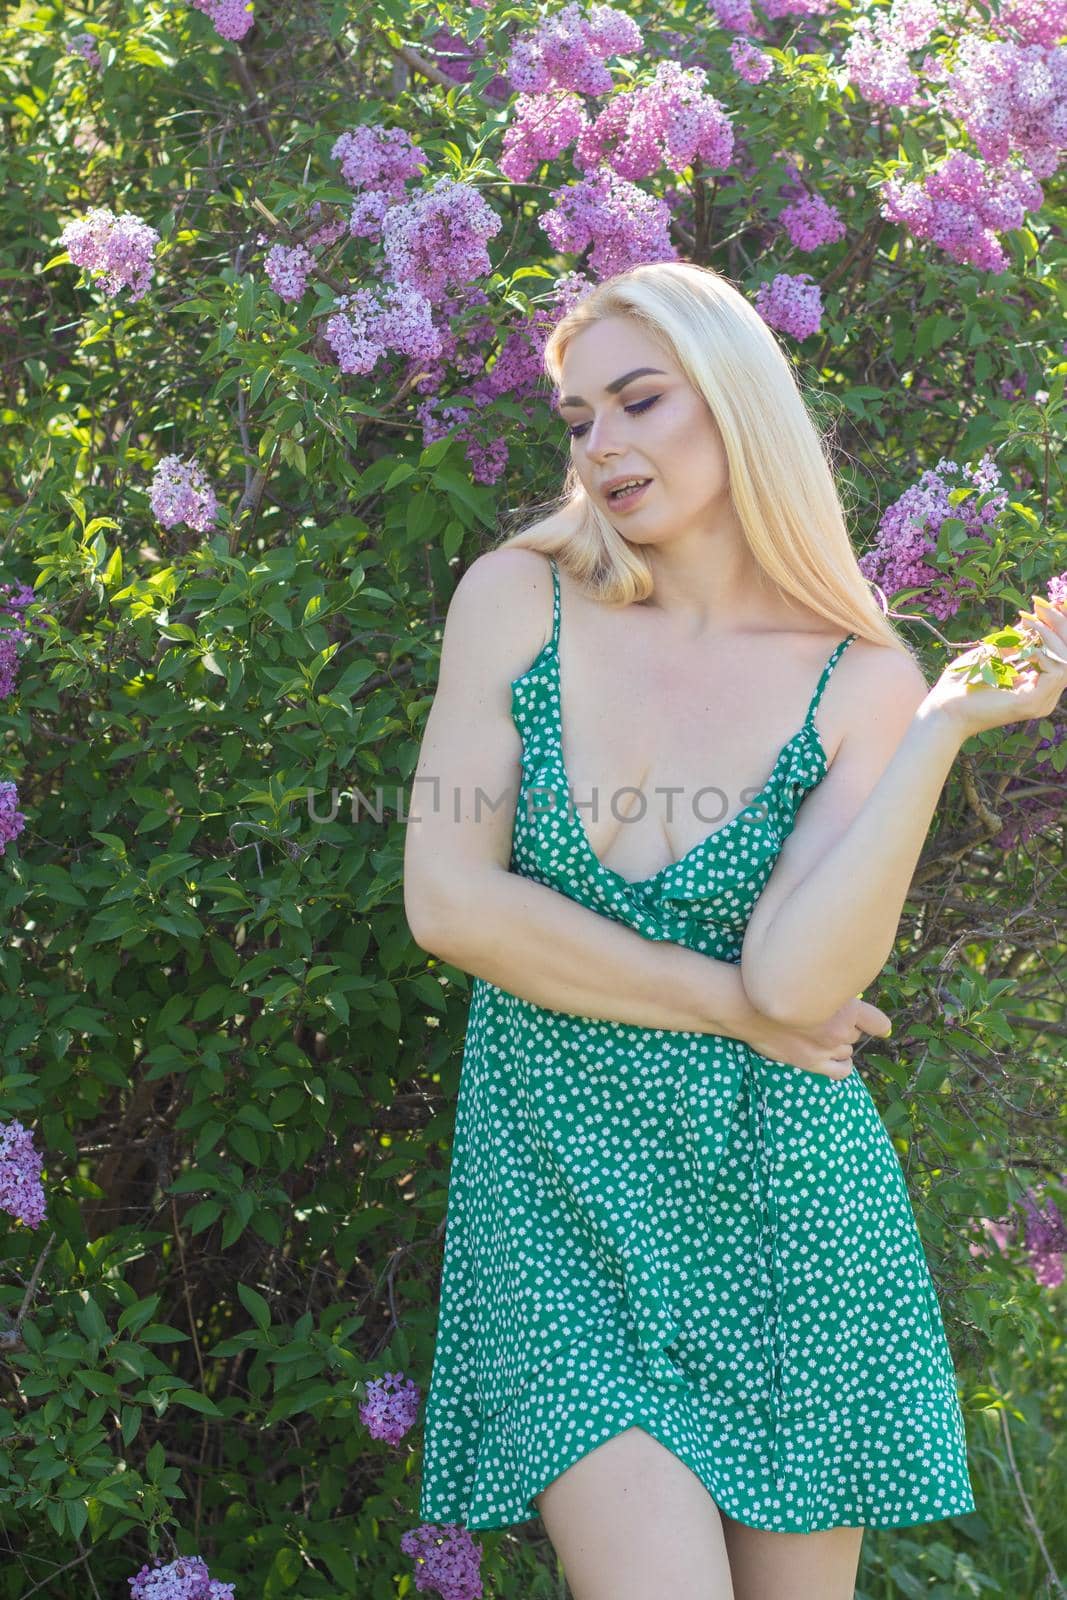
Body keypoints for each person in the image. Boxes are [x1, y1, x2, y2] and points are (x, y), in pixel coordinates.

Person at [403, 260, 1067, 1600]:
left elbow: (798, 977)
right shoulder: (515, 600)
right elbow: (451, 903)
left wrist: (937, 733)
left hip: (785, 1217)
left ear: (737, 403)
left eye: (640, 401)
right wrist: (723, 1005)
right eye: (579, 419)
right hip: (559, 1199)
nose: (604, 445)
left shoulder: (859, 679)